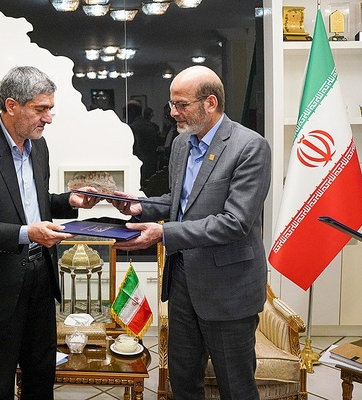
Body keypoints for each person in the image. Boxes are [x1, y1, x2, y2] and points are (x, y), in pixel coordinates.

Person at [109, 65, 271, 400]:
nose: (172, 112)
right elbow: (181, 200)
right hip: (183, 281)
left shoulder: (249, 147)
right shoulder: (183, 144)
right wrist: (139, 206)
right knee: (182, 382)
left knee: (236, 387)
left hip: (228, 288)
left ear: (210, 103)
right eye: (172, 104)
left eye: (181, 104)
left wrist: (163, 234)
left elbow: (235, 222)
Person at [0, 66, 99, 400]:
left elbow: (32, 204)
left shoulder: (38, 147)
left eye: (50, 109)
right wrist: (27, 233)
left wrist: (68, 201)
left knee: (41, 372)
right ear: (12, 105)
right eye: (40, 109)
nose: (48, 118)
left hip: (41, 274)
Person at [126, 100, 162, 188]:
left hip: (140, 165)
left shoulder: (133, 127)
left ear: (132, 111)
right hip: (151, 164)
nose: (124, 115)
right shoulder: (150, 125)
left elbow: (134, 148)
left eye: (126, 111)